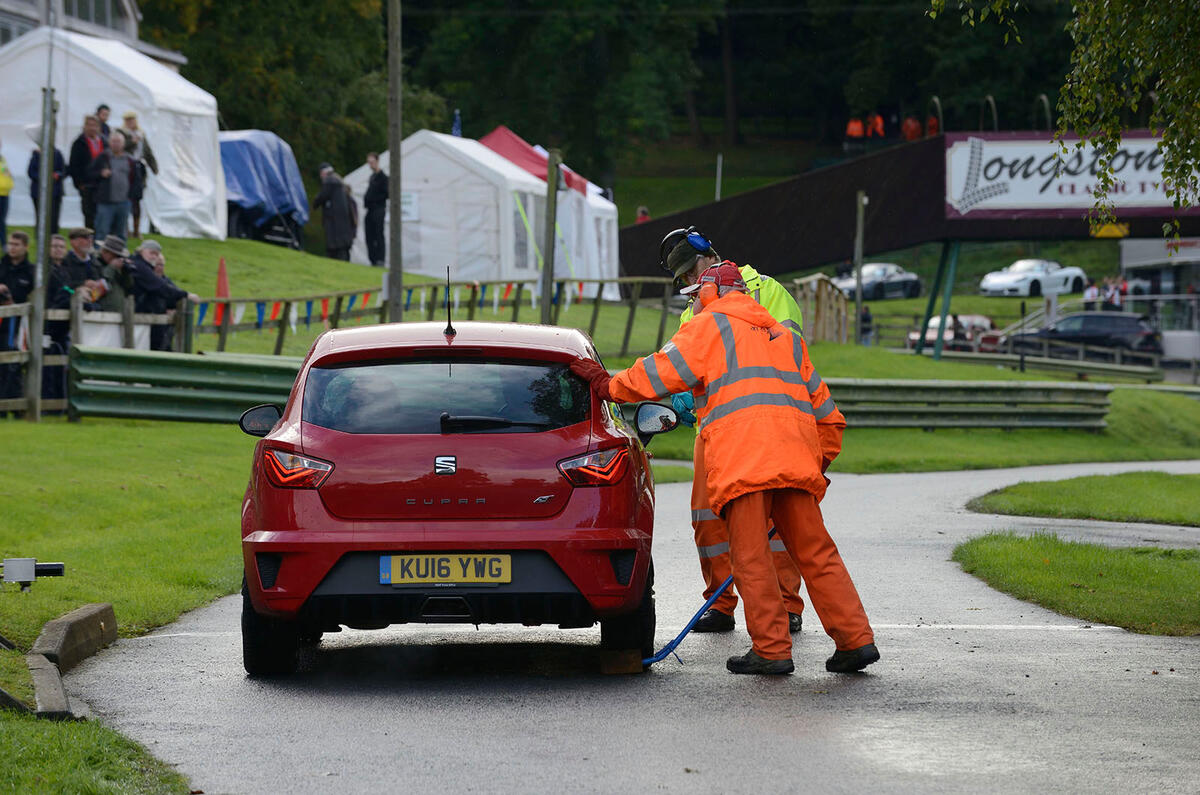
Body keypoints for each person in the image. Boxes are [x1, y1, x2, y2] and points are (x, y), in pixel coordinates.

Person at [570, 262, 878, 675]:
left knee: (749, 558)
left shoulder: (709, 327)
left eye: (696, 295)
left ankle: (771, 650)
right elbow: (829, 416)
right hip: (794, 463)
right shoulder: (785, 338)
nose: (694, 302)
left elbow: (659, 373)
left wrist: (609, 384)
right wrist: (815, 464)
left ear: (712, 293)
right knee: (818, 555)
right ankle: (856, 642)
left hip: (744, 463)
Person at [659, 227, 807, 635]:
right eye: (683, 278)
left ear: (710, 255)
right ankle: (720, 604)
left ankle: (784, 605)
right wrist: (684, 394)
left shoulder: (768, 292)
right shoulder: (693, 311)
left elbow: (791, 355)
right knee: (708, 520)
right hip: (713, 430)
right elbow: (681, 364)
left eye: (692, 271)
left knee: (775, 521)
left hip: (767, 422)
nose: (690, 282)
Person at [128, 239, 198, 350]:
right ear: (142, 251)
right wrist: (186, 295)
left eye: (156, 254)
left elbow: (163, 289)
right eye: (151, 253)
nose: (154, 257)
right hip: (137, 316)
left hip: (143, 318)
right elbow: (160, 287)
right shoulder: (140, 266)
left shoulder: (142, 266)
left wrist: (174, 303)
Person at [90, 129, 141, 242]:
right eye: (113, 141)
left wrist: (131, 197)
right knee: (102, 232)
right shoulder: (103, 157)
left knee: (121, 234)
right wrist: (100, 174)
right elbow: (90, 174)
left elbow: (136, 180)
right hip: (105, 202)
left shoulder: (129, 160)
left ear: (123, 144)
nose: (116, 144)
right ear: (109, 142)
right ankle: (98, 255)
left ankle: (120, 257)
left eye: (118, 142)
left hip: (123, 202)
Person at [118, 111, 158, 238]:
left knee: (136, 200)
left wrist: (154, 167)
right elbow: (120, 148)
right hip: (126, 168)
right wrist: (133, 142)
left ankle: (136, 230)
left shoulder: (141, 134)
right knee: (124, 199)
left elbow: (147, 151)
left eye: (133, 120)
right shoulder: (121, 133)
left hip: (138, 169)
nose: (131, 122)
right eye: (128, 120)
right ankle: (125, 228)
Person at [69, 115, 107, 231]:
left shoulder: (104, 142)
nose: (92, 128)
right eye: (89, 125)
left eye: (94, 125)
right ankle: (90, 240)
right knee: (89, 215)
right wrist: (79, 183)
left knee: (103, 214)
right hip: (87, 185)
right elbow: (74, 165)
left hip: (102, 185)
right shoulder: (79, 143)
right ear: (84, 126)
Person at [312, 163, 356, 261]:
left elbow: (321, 197)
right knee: (343, 251)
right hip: (344, 228)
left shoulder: (329, 182)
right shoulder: (340, 184)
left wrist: (315, 204)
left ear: (323, 173)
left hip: (334, 225)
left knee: (335, 250)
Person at [27, 139, 67, 236]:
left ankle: (53, 238)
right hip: (39, 192)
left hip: (55, 192)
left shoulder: (57, 154)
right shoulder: (36, 155)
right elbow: (31, 172)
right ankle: (40, 238)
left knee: (53, 218)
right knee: (40, 217)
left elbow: (64, 170)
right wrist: (45, 177)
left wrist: (57, 175)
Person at [91, 234, 135, 313]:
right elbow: (101, 285)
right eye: (115, 255)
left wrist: (126, 272)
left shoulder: (117, 267)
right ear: (105, 252)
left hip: (120, 313)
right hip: (101, 313)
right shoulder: (94, 263)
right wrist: (111, 267)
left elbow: (129, 286)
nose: (117, 258)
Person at [363, 152, 388, 267]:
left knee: (378, 234)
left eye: (372, 162)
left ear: (377, 161)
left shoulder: (383, 178)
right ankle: (372, 259)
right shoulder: (372, 177)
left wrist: (374, 199)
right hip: (370, 209)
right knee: (369, 235)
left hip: (378, 209)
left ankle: (380, 259)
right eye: (369, 163)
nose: (370, 165)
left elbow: (387, 194)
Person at [0, 139, 12, 246]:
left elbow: (5, 173)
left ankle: (4, 243)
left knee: (2, 220)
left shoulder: (2, 159)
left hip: (5, 193)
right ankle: (4, 243)